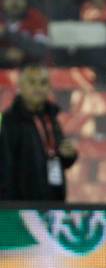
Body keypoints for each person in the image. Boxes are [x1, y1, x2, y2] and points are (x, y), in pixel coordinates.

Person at [0, 64, 78, 201]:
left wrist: (68, 155)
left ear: (49, 87)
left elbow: (56, 156)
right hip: (20, 206)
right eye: (32, 82)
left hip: (53, 202)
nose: (38, 88)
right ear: (21, 86)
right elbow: (5, 167)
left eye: (43, 83)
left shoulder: (51, 117)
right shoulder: (9, 121)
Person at [0, 0, 49, 67]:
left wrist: (6, 33)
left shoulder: (36, 18)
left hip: (30, 70)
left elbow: (41, 50)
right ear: (2, 0)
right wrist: (5, 54)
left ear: (27, 0)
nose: (14, 1)